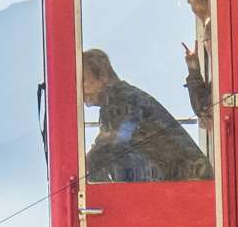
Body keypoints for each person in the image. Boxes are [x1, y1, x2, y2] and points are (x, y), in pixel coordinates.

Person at [81, 49, 212, 182]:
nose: (79, 90)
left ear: (103, 75)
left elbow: (120, 137)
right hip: (182, 181)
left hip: (188, 180)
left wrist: (88, 162)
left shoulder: (120, 96)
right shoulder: (112, 104)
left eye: (82, 80)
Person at [181, 0, 214, 122]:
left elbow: (204, 108)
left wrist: (194, 71)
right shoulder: (210, 30)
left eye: (193, 3)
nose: (193, 9)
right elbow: (204, 107)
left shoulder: (212, 28)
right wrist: (194, 69)